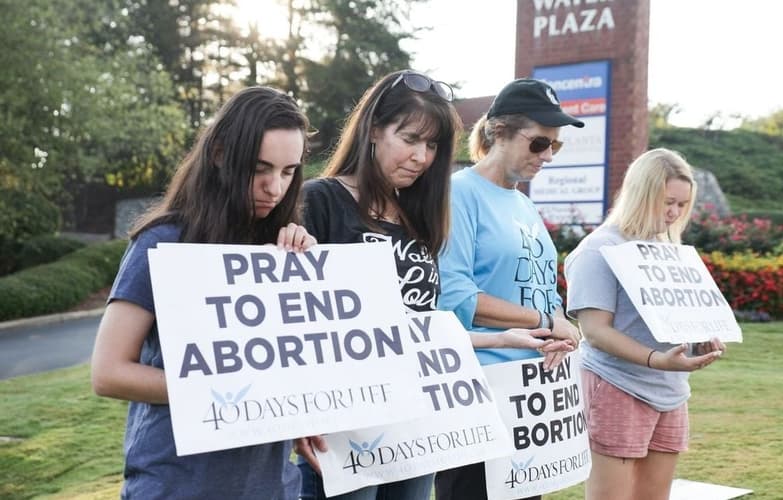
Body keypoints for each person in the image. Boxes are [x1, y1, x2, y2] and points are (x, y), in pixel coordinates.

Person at [293, 70, 559, 500]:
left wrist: (505, 338)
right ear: (375, 130)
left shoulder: (418, 216)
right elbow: (293, 326)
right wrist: (302, 413)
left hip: (418, 422)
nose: (421, 157)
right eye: (411, 138)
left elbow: (419, 329)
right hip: (345, 429)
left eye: (432, 145)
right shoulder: (320, 200)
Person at [90, 86, 316, 499]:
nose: (274, 188)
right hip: (179, 484)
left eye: (288, 172)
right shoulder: (164, 241)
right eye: (259, 168)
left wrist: (303, 273)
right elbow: (108, 372)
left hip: (272, 486)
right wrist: (230, 391)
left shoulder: (279, 248)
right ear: (219, 155)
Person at [434, 78, 584, 500]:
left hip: (531, 396)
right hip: (480, 393)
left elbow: (543, 286)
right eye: (539, 143)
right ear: (498, 131)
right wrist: (543, 322)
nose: (548, 156)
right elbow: (456, 297)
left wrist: (560, 324)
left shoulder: (523, 203)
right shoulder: (457, 194)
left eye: (557, 146)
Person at [563, 148, 726, 500]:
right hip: (617, 386)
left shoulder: (667, 247)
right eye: (667, 202)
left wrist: (701, 340)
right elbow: (594, 331)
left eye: (682, 205)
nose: (674, 213)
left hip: (670, 391)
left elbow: (674, 319)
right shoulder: (598, 250)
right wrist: (656, 359)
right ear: (642, 194)